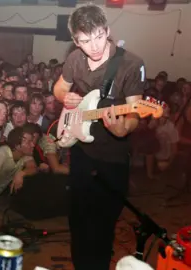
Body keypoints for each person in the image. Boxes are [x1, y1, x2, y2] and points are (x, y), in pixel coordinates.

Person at [53, 4, 146, 269]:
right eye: (84, 41)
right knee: (78, 219)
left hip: (112, 157)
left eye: (98, 37)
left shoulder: (130, 64)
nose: (93, 46)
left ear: (107, 30)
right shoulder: (74, 59)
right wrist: (64, 97)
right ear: (75, 41)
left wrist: (123, 129)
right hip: (81, 150)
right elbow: (59, 88)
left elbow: (135, 113)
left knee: (103, 225)